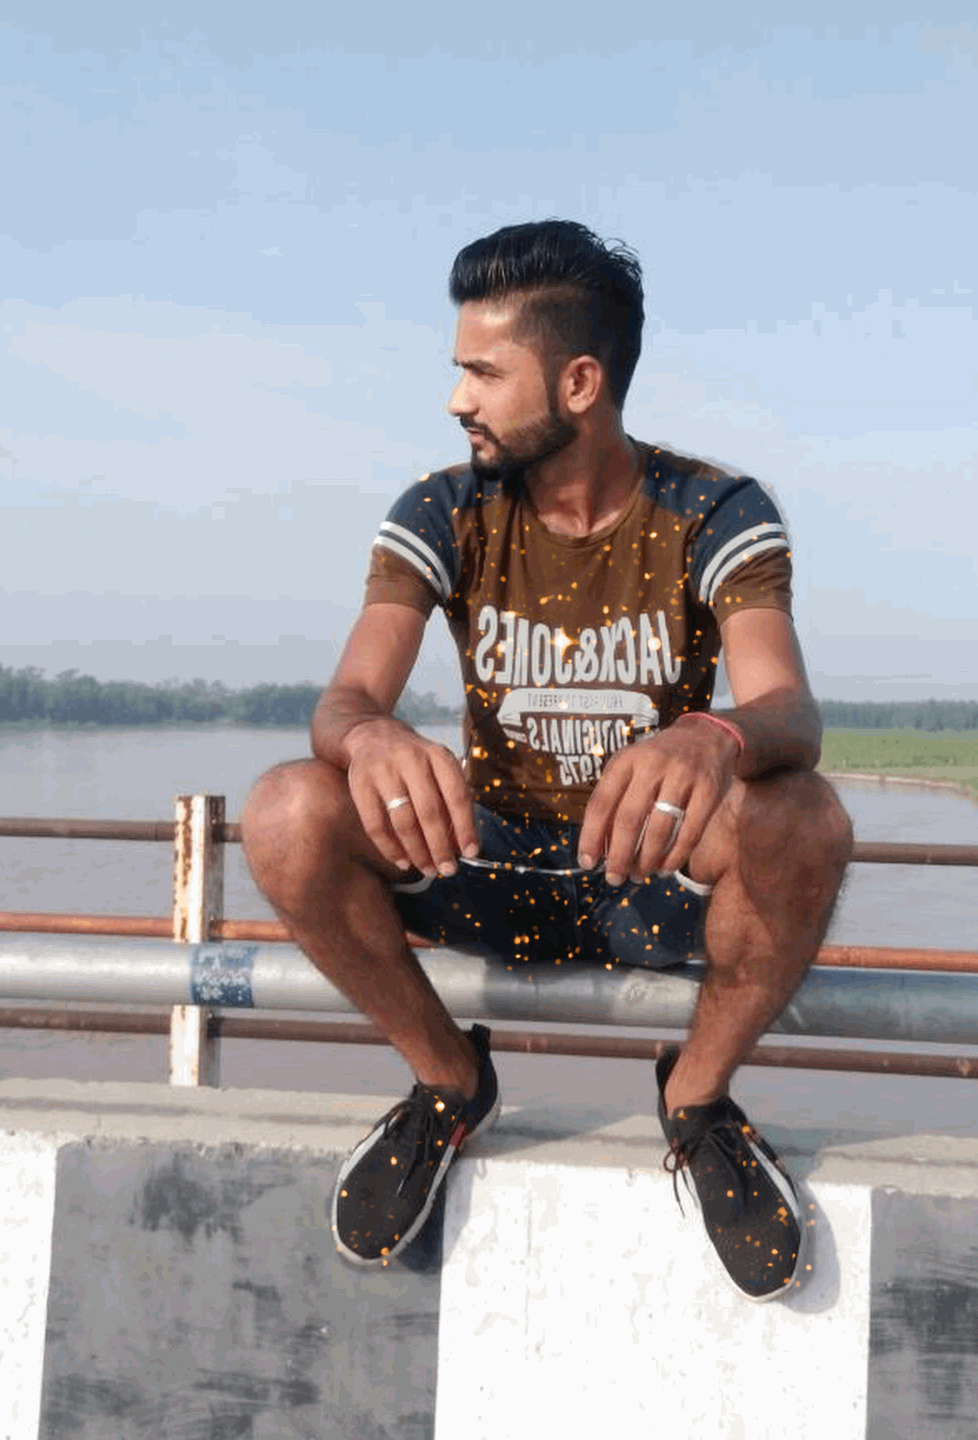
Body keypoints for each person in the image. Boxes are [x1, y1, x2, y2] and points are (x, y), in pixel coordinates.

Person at [241, 220, 853, 1302]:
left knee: (806, 817)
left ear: (579, 382)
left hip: (648, 876)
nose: (457, 398)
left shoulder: (713, 509)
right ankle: (447, 1081)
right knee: (288, 809)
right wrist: (373, 735)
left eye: (483, 372)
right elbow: (345, 700)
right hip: (489, 866)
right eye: (459, 369)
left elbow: (788, 713)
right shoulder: (445, 508)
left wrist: (712, 735)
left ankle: (696, 1101)